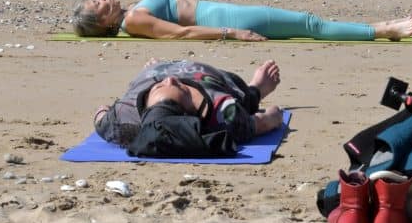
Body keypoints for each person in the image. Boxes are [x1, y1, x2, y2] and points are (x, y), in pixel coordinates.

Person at [94, 58, 284, 157]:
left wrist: (154, 75)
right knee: (245, 101)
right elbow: (267, 121)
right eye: (181, 89)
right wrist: (274, 114)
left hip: (154, 71)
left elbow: (100, 114)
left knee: (150, 73)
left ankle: (153, 73)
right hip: (217, 79)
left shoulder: (120, 120)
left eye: (158, 87)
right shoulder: (223, 114)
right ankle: (257, 88)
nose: (170, 79)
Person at [72, 0, 412, 42]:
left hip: (227, 12)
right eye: (98, 5)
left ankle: (378, 28)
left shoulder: (132, 14)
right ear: (103, 23)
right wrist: (231, 33)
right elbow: (179, 34)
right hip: (233, 20)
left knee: (307, 22)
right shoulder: (133, 21)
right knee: (309, 24)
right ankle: (380, 30)